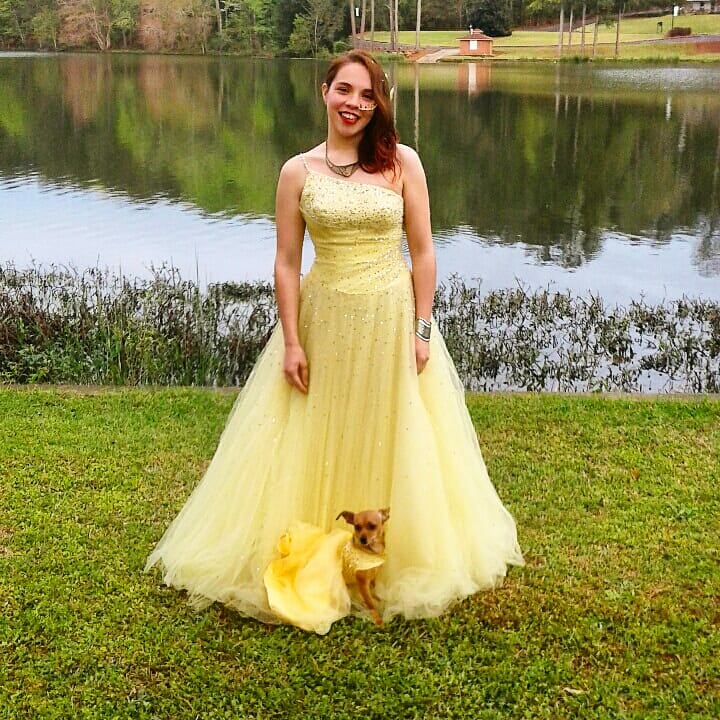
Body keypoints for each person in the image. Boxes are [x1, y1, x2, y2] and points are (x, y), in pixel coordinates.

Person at [145, 50, 524, 634]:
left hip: (391, 319)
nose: (356, 104)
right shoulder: (297, 171)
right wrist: (292, 341)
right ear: (325, 91)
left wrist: (423, 330)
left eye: (369, 95)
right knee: (313, 426)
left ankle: (387, 554)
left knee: (394, 426)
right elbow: (286, 263)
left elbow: (423, 253)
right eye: (346, 90)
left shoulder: (402, 163)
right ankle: (323, 544)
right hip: (323, 320)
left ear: (379, 103)